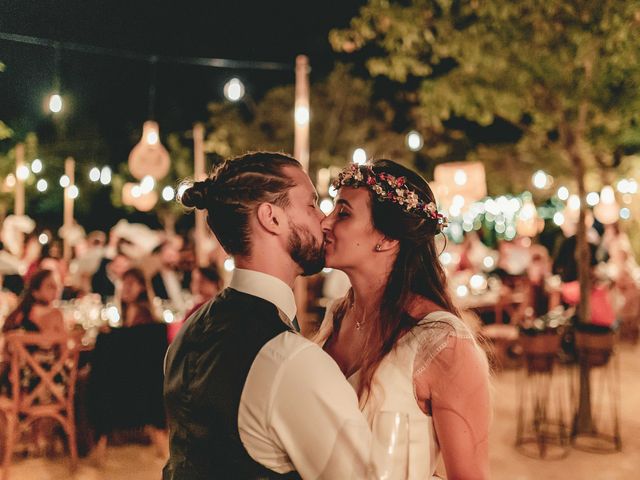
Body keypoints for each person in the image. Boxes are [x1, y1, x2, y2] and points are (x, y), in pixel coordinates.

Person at [163, 152, 370, 479]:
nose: (324, 220)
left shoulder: (189, 332)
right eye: (311, 205)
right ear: (271, 218)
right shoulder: (290, 360)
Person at [316, 160, 491, 479]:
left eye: (343, 213)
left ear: (387, 238)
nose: (325, 223)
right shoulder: (337, 314)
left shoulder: (441, 343)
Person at [2, 268, 65, 335]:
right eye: (50, 286)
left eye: (59, 286)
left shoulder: (22, 311)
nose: (56, 291)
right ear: (35, 292)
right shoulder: (50, 314)